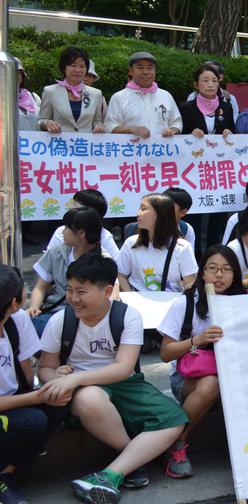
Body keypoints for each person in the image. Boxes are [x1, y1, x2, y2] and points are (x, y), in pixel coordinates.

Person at [38, 254, 188, 502]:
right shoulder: (60, 321)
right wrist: (56, 375)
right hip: (84, 391)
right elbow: (45, 367)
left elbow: (122, 368)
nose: (74, 299)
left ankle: (110, 474)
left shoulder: (127, 316)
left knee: (174, 419)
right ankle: (132, 461)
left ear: (107, 291)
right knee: (89, 397)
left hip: (125, 384)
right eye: (70, 290)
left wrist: (74, 379)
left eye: (82, 292)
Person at [156, 245, 245, 478]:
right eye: (212, 268)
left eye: (226, 269)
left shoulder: (244, 303)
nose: (219, 275)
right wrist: (198, 339)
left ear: (235, 274)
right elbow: (165, 353)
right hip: (189, 379)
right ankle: (176, 443)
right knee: (210, 384)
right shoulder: (184, 305)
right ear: (202, 272)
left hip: (235, 377)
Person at [0, 266, 67, 504]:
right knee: (33, 419)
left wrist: (54, 379)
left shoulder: (16, 321)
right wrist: (34, 399)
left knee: (60, 400)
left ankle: (5, 473)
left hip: (13, 401)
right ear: (14, 302)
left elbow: (27, 377)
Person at [29, 208, 109, 336]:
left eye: (66, 227)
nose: (62, 232)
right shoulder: (56, 252)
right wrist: (34, 307)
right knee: (23, 325)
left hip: (88, 317)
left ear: (81, 233)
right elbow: (40, 287)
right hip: (54, 312)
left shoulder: (103, 261)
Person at [118, 193, 198, 292]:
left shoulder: (183, 247)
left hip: (172, 303)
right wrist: (131, 299)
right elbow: (121, 275)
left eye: (143, 209)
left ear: (160, 214)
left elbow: (190, 284)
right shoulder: (131, 243)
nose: (138, 213)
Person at [104, 51, 182, 137]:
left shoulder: (166, 96)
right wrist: (132, 129)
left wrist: (172, 130)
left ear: (155, 70)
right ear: (131, 71)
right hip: (131, 149)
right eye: (140, 68)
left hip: (161, 149)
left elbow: (177, 122)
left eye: (149, 68)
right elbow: (109, 127)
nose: (145, 72)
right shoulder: (119, 97)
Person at [37, 47, 104, 134]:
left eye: (82, 66)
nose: (77, 70)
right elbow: (41, 120)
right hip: (59, 143)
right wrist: (47, 124)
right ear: (64, 67)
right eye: (73, 65)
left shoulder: (96, 94)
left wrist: (98, 127)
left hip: (84, 145)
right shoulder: (50, 91)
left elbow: (97, 121)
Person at [46, 189, 120, 259]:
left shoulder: (105, 236)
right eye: (73, 203)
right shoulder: (62, 231)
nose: (71, 207)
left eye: (76, 206)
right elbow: (48, 260)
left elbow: (117, 265)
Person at [179, 63, 235, 138]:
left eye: (214, 81)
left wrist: (229, 132)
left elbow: (233, 131)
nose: (210, 85)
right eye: (205, 81)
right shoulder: (186, 108)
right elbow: (180, 133)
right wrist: (191, 134)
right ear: (196, 84)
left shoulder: (226, 107)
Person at [16, 56, 41, 131]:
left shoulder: (34, 97)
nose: (14, 76)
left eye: (18, 72)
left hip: (35, 142)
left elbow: (44, 120)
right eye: (9, 72)